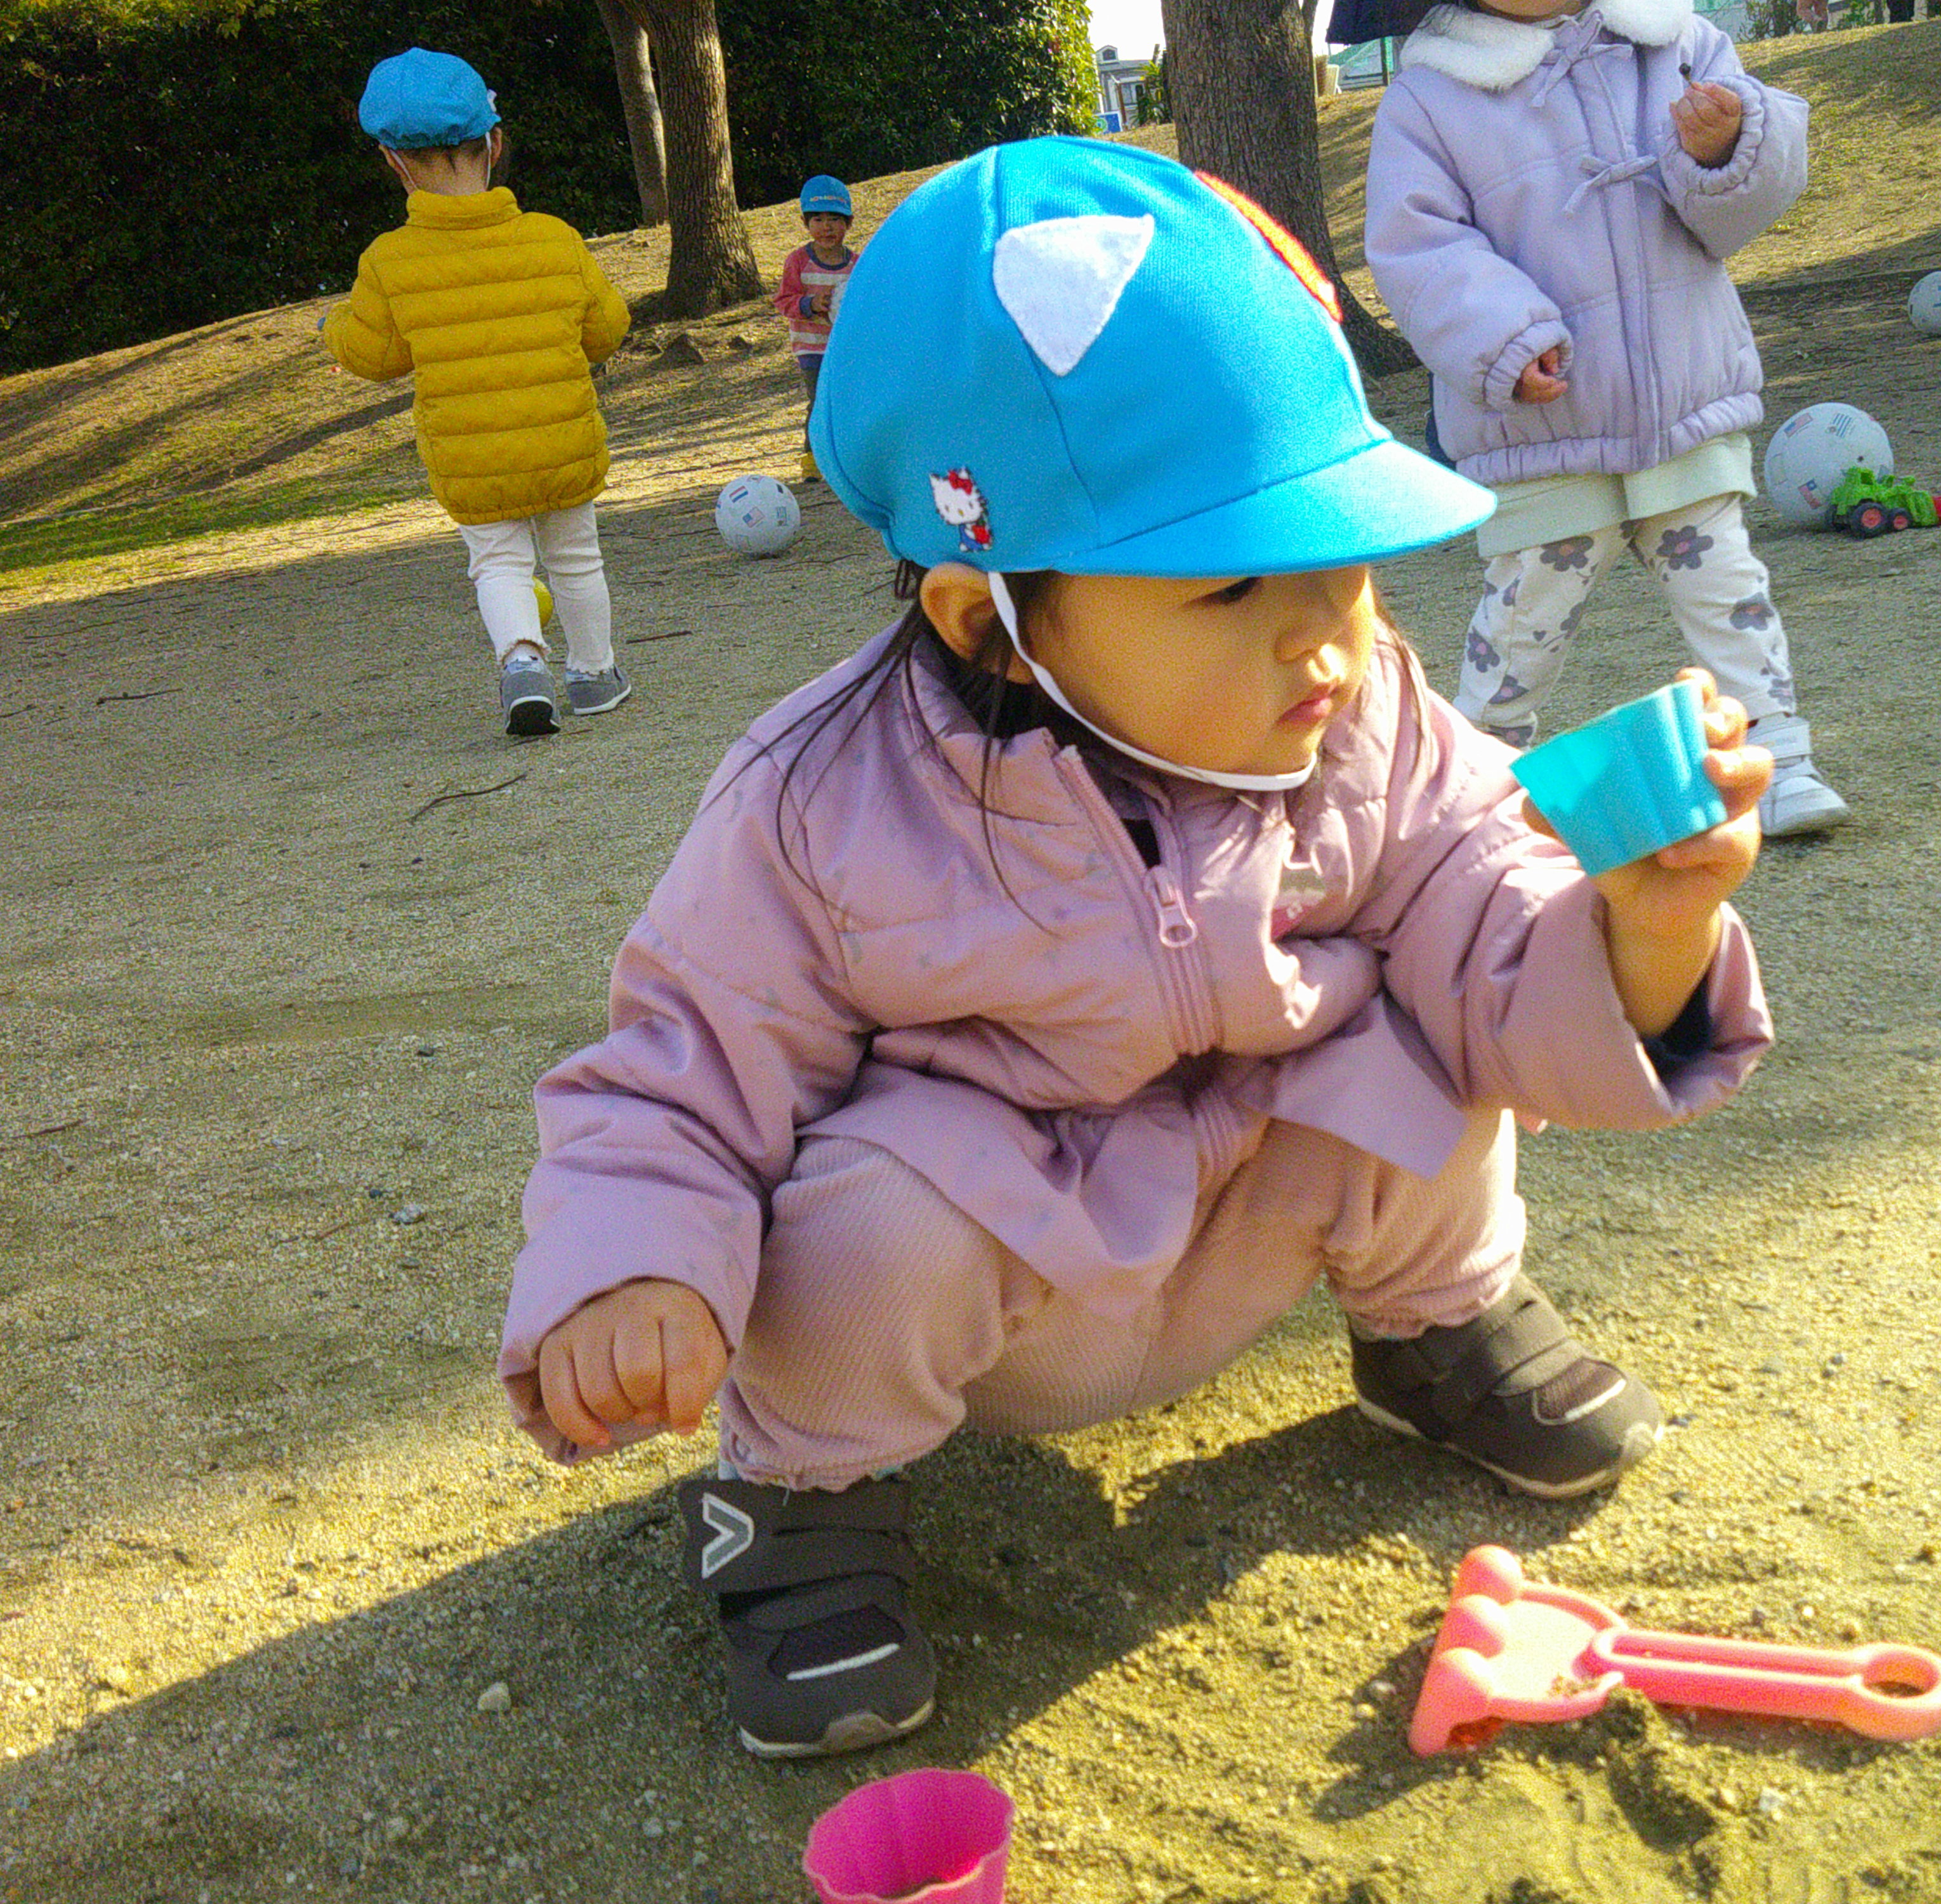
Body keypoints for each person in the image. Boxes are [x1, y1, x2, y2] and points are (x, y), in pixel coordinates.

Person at [496, 138, 1775, 1759]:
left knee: (1414, 1038)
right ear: (987, 622)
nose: (1323, 641)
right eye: (1232, 587)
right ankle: (803, 1505)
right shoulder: (820, 801)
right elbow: (680, 1067)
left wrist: (1647, 925)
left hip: (1239, 1209)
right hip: (999, 1266)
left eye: (1345, 564)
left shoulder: (1365, 717)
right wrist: (629, 1271)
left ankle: (1435, 1325)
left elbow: (1485, 919)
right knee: (859, 1223)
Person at [1362, 0, 1850, 838]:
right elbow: (1418, 248)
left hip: (1679, 394)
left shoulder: (1674, 40)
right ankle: (1470, 798)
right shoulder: (1431, 94)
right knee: (1523, 623)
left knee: (1730, 594)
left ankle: (1775, 759)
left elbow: (1740, 215)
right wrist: (1504, 338)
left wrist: (1727, 148)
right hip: (1545, 420)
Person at [322, 48, 632, 737]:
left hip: (472, 457)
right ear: (493, 143)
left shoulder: (390, 261)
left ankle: (522, 665)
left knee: (498, 563)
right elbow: (606, 329)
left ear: (394, 162)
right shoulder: (553, 240)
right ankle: (594, 674)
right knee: (576, 558)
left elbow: (375, 357)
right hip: (561, 438)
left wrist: (331, 328)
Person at [774, 176, 859, 485]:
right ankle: (812, 460)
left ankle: (847, 460)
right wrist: (810, 304)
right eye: (818, 220)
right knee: (819, 402)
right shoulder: (798, 261)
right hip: (811, 348)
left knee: (847, 402)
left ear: (848, 223)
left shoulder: (857, 264)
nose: (827, 227)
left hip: (845, 348)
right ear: (806, 224)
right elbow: (784, 301)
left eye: (835, 219)